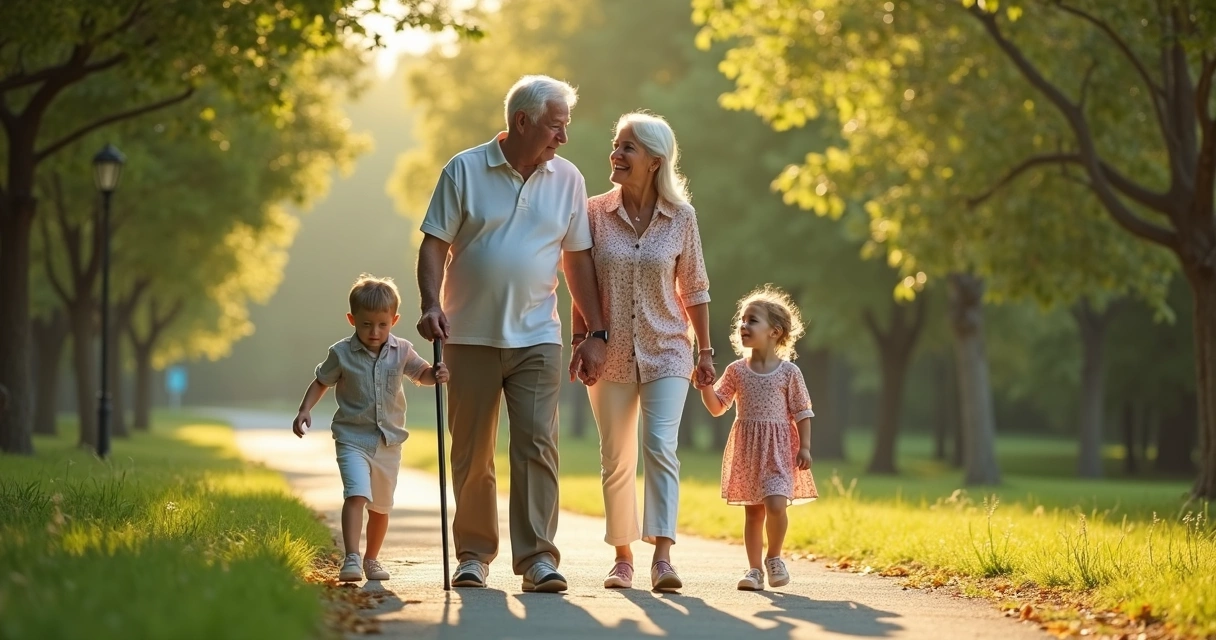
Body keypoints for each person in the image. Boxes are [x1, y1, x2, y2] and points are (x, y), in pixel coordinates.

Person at [415, 75, 608, 593]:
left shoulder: (568, 178)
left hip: (538, 336)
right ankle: (474, 555)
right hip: (467, 334)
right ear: (522, 122)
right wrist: (429, 305)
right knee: (472, 452)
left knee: (536, 446)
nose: (562, 138)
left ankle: (539, 559)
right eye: (555, 126)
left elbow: (577, 260)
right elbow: (433, 245)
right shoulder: (465, 169)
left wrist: (595, 330)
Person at [572, 111, 714, 591]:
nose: (616, 153)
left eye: (627, 147)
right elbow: (579, 283)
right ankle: (623, 556)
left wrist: (707, 351)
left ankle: (663, 556)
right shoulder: (593, 212)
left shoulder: (682, 218)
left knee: (660, 447)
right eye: (616, 144)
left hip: (668, 348)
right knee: (617, 456)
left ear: (655, 161)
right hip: (608, 352)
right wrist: (581, 341)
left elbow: (694, 286)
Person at [292, 274, 449, 583]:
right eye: (366, 325)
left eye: (382, 324)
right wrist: (304, 409)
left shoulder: (402, 350)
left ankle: (372, 559)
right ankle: (351, 557)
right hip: (352, 438)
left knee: (380, 506)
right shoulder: (341, 353)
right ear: (352, 319)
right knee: (356, 494)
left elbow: (422, 374)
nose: (374, 332)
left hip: (388, 443)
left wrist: (437, 373)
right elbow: (322, 381)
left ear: (394, 320)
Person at [698, 285, 817, 591]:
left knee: (776, 505)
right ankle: (753, 570)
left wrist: (804, 447)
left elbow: (803, 411)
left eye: (752, 320)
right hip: (748, 450)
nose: (743, 325)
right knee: (753, 512)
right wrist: (704, 386)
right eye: (742, 319)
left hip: (779, 450)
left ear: (775, 332)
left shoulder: (789, 373)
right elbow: (716, 407)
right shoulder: (736, 371)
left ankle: (774, 557)